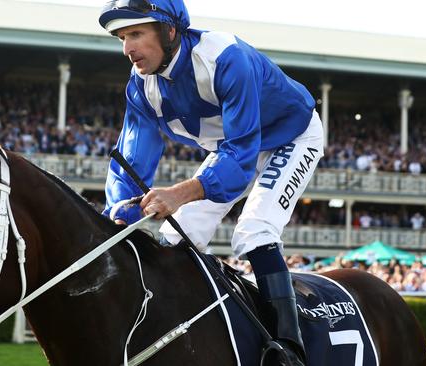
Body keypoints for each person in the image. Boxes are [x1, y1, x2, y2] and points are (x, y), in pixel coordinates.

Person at [99, 1, 324, 364]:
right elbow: (132, 159)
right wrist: (119, 213)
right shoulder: (141, 87)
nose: (128, 49)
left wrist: (179, 193)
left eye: (136, 33)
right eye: (123, 38)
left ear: (170, 30)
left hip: (290, 137)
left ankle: (289, 350)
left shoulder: (225, 57)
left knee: (254, 230)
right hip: (233, 147)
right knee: (175, 236)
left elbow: (238, 162)